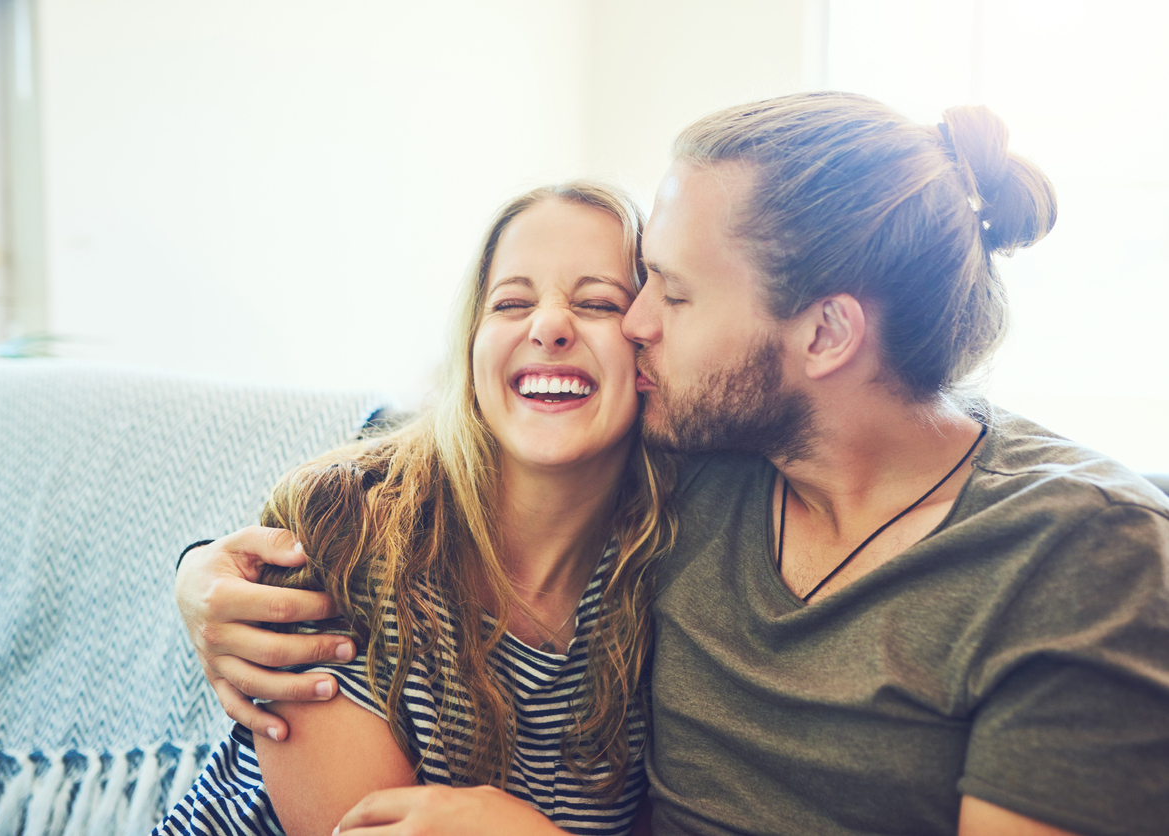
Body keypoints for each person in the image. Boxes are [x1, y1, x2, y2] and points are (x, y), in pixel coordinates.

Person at [177, 93, 1169, 836]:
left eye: (668, 294)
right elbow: (445, 443)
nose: (634, 324)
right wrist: (203, 574)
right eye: (637, 283)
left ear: (825, 333)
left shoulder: (1079, 556)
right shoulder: (706, 462)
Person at [156, 181, 677, 836]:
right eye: (511, 302)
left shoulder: (669, 575)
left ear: (650, 352)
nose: (548, 326)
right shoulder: (344, 533)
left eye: (598, 302)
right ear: (471, 348)